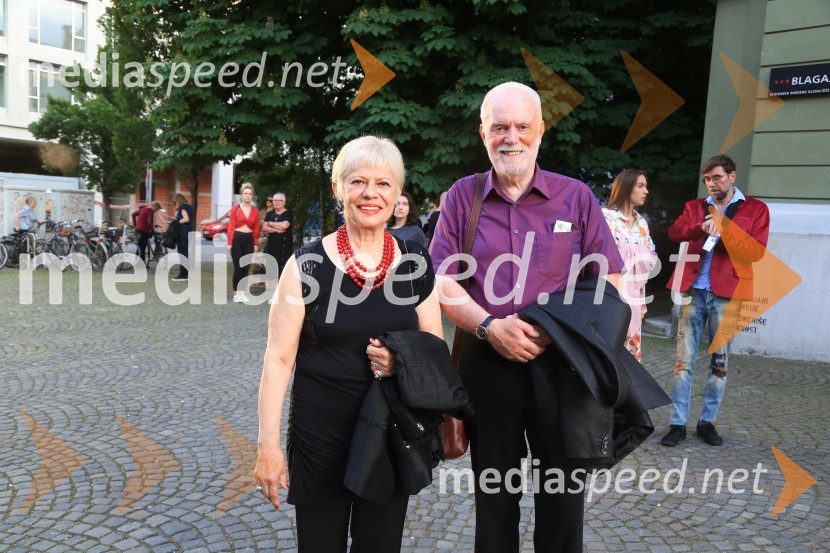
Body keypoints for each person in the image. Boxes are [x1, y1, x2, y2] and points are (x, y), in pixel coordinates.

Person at [429, 81, 624, 553]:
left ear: (540, 131)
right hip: (488, 366)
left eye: (521, 126)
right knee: (494, 496)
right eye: (499, 127)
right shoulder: (462, 197)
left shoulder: (575, 198)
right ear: (483, 133)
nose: (510, 137)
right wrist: (489, 327)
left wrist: (557, 331)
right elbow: (441, 281)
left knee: (563, 498)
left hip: (564, 368)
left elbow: (610, 280)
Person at [254, 136, 443, 552]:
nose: (370, 193)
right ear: (338, 188)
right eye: (357, 182)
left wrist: (402, 362)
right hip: (320, 436)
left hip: (390, 434)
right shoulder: (306, 265)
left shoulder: (415, 264)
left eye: (383, 183)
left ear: (397, 194)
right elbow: (279, 359)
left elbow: (434, 349)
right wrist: (268, 445)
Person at [661, 154, 770, 447]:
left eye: (717, 177)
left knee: (719, 364)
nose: (711, 183)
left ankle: (707, 422)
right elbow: (674, 232)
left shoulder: (756, 209)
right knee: (682, 362)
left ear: (732, 177)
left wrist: (725, 228)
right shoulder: (695, 207)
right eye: (707, 179)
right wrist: (700, 227)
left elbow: (756, 251)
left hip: (728, 294)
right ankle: (677, 423)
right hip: (692, 291)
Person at [602, 169, 658, 361]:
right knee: (608, 349)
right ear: (626, 188)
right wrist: (636, 255)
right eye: (641, 186)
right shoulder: (606, 218)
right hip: (611, 295)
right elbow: (601, 255)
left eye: (646, 186)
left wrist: (631, 255)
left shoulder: (642, 223)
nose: (646, 191)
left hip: (636, 296)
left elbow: (652, 257)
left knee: (630, 359)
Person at [226, 183, 261, 303]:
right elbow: (230, 226)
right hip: (237, 238)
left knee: (246, 267)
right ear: (241, 195)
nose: (248, 196)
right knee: (238, 267)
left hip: (249, 239)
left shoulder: (255, 210)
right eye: (245, 193)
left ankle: (243, 293)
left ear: (252, 196)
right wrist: (229, 242)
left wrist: (255, 243)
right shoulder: (236, 208)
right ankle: (236, 293)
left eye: (250, 194)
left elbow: (256, 228)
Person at [262, 192, 294, 277]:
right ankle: (271, 289)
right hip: (271, 247)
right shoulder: (270, 214)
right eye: (275, 200)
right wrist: (277, 230)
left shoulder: (288, 213)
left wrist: (270, 223)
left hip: (284, 247)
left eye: (280, 200)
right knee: (271, 270)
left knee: (282, 270)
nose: (277, 202)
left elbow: (285, 225)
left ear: (284, 202)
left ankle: (281, 289)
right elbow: (264, 228)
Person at [172, 193, 194, 282]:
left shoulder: (183, 207)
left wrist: (176, 222)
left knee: (182, 254)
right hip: (188, 233)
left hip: (182, 234)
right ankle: (185, 274)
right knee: (185, 254)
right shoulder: (189, 207)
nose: (174, 202)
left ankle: (183, 275)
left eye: (175, 200)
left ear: (178, 200)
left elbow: (186, 219)